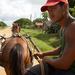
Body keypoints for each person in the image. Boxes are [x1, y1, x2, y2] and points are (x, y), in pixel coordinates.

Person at [25, 0, 75, 75]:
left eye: (53, 8)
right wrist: (43, 54)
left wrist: (48, 60)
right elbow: (62, 48)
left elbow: (64, 64)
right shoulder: (63, 28)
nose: (50, 14)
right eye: (48, 10)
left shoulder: (72, 27)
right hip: (60, 66)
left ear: (65, 6)